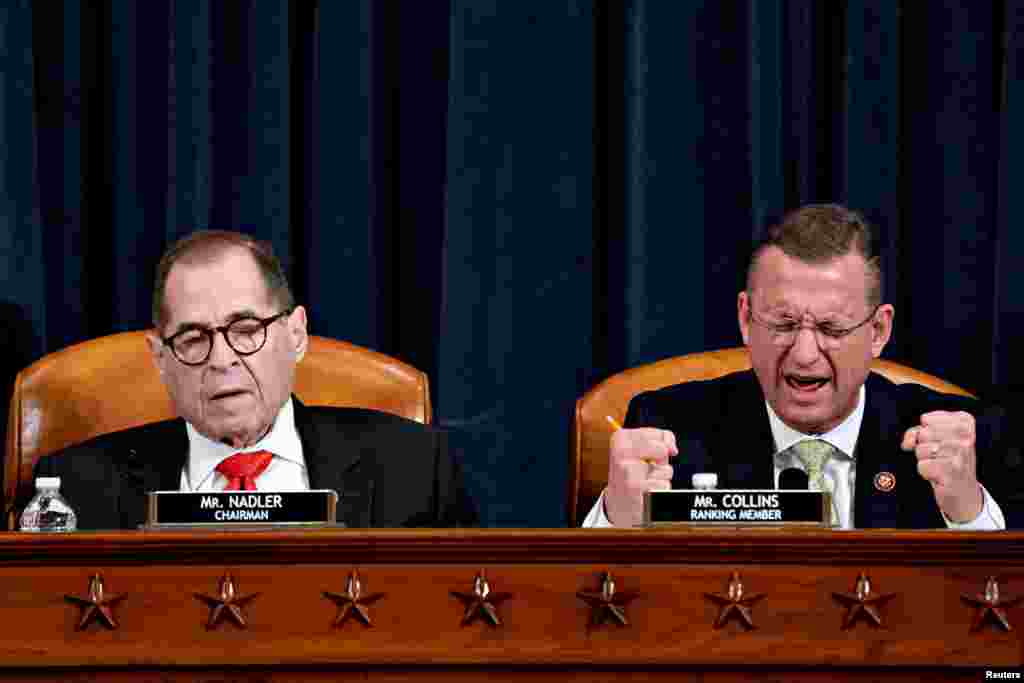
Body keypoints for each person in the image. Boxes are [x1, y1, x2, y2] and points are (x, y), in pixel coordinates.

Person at [585, 204, 1021, 529]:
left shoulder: (958, 446)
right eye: (784, 324)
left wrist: (968, 513)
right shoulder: (669, 431)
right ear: (745, 319)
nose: (805, 354)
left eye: (831, 328)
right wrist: (617, 519)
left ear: (878, 331)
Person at [33, 231, 476, 529]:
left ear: (296, 334)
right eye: (192, 337)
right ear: (161, 358)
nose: (222, 359)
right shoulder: (74, 491)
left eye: (246, 330)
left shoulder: (417, 470)